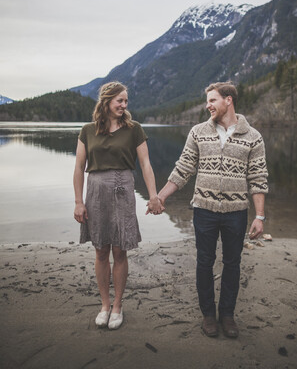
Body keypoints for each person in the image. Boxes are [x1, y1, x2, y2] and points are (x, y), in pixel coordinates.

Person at [149, 81, 268, 339]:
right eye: (207, 101)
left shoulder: (253, 137)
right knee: (204, 261)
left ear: (229, 100)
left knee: (232, 263)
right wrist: (160, 197)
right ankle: (208, 315)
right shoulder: (198, 132)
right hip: (204, 209)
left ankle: (227, 315)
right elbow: (184, 168)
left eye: (213, 100)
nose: (208, 105)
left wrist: (259, 216)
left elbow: (258, 178)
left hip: (237, 212)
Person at [73, 81, 162, 330]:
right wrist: (79, 202)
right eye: (120, 100)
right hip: (96, 192)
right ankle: (104, 305)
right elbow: (79, 168)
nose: (124, 105)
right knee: (101, 250)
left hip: (124, 190)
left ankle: (118, 306)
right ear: (107, 101)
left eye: (126, 101)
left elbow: (145, 164)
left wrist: (153, 195)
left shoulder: (134, 129)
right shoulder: (88, 130)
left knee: (120, 250)